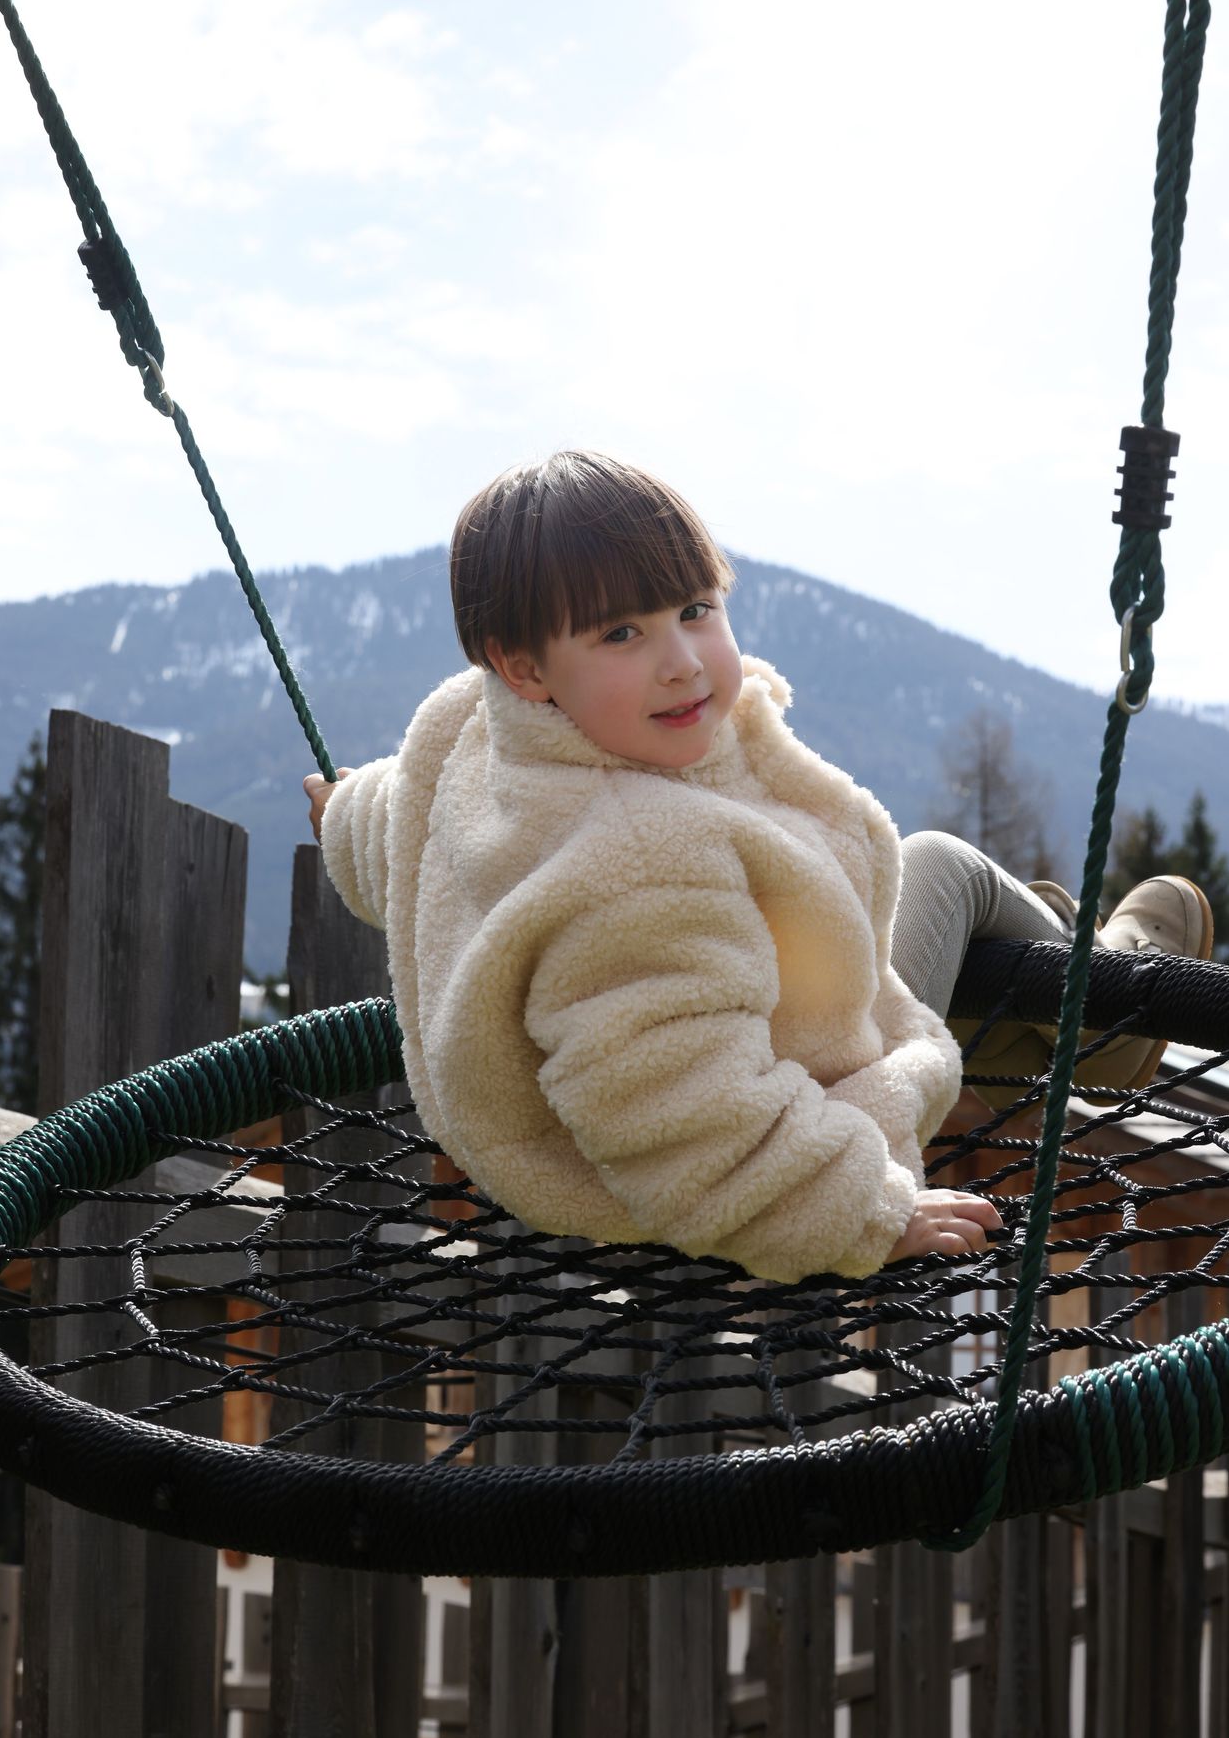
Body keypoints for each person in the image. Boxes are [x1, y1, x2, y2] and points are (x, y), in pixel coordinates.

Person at [303, 451, 1213, 1283]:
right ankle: (1100, 1011)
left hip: (688, 1073)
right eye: (622, 634)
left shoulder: (479, 741)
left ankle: (1034, 1002)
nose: (683, 664)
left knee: (926, 917)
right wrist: (866, 1214)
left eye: (696, 611)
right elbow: (691, 1125)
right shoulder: (635, 869)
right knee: (941, 865)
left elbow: (403, 819)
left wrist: (344, 810)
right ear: (525, 667)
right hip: (771, 1138)